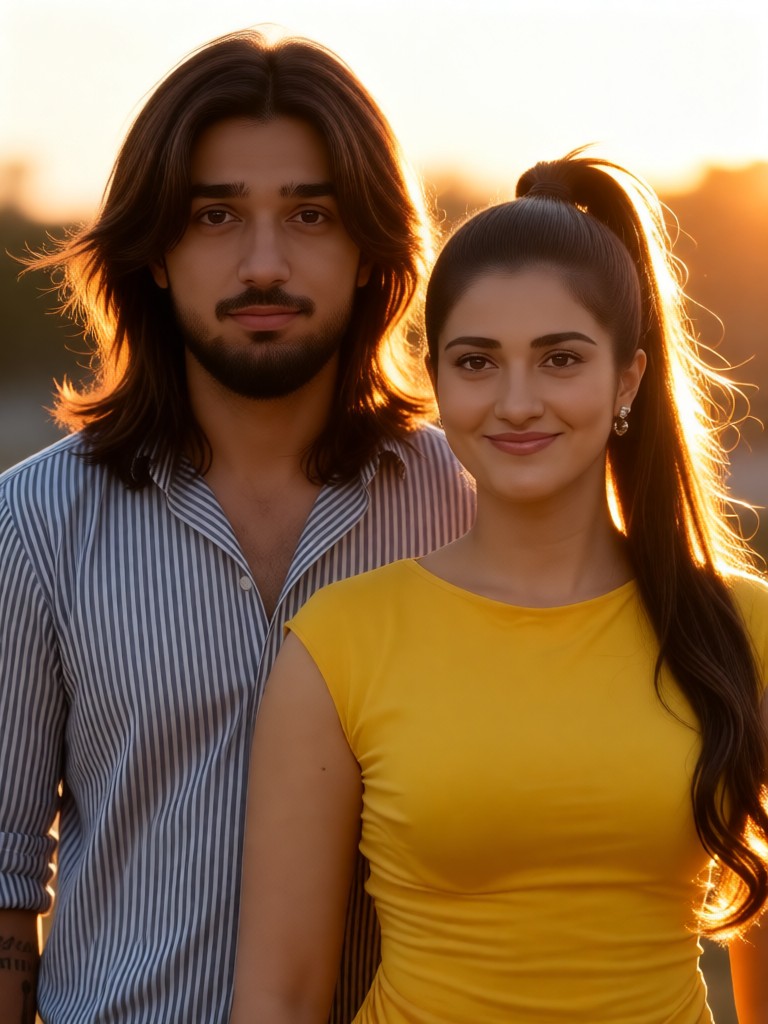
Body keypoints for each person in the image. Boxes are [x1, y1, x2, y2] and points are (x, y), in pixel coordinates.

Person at [0, 29, 475, 1024]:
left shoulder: (465, 501)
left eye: (311, 213)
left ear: (369, 254)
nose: (265, 262)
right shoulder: (37, 520)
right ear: (157, 254)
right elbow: (3, 888)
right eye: (216, 215)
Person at [231, 151, 768, 1023]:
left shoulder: (743, 632)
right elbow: (279, 1000)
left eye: (560, 359)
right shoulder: (340, 644)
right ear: (437, 380)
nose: (517, 402)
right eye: (478, 363)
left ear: (627, 377)